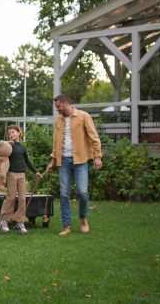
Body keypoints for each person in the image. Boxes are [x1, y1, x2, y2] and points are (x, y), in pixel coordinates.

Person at [45, 94, 102, 235]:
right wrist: (53, 161)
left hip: (80, 160)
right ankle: (67, 226)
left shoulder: (83, 116)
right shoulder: (59, 120)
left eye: (58, 106)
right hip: (63, 161)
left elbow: (94, 137)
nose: (57, 109)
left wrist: (98, 157)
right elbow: (56, 142)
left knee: (83, 192)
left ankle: (83, 219)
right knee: (64, 194)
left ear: (66, 104)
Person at [0, 124, 43, 234]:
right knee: (11, 197)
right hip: (11, 174)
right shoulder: (8, 146)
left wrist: (36, 172)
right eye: (9, 134)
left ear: (18, 132)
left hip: (22, 175)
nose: (11, 135)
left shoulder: (23, 147)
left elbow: (27, 161)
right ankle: (3, 219)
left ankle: (19, 220)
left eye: (13, 132)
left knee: (22, 198)